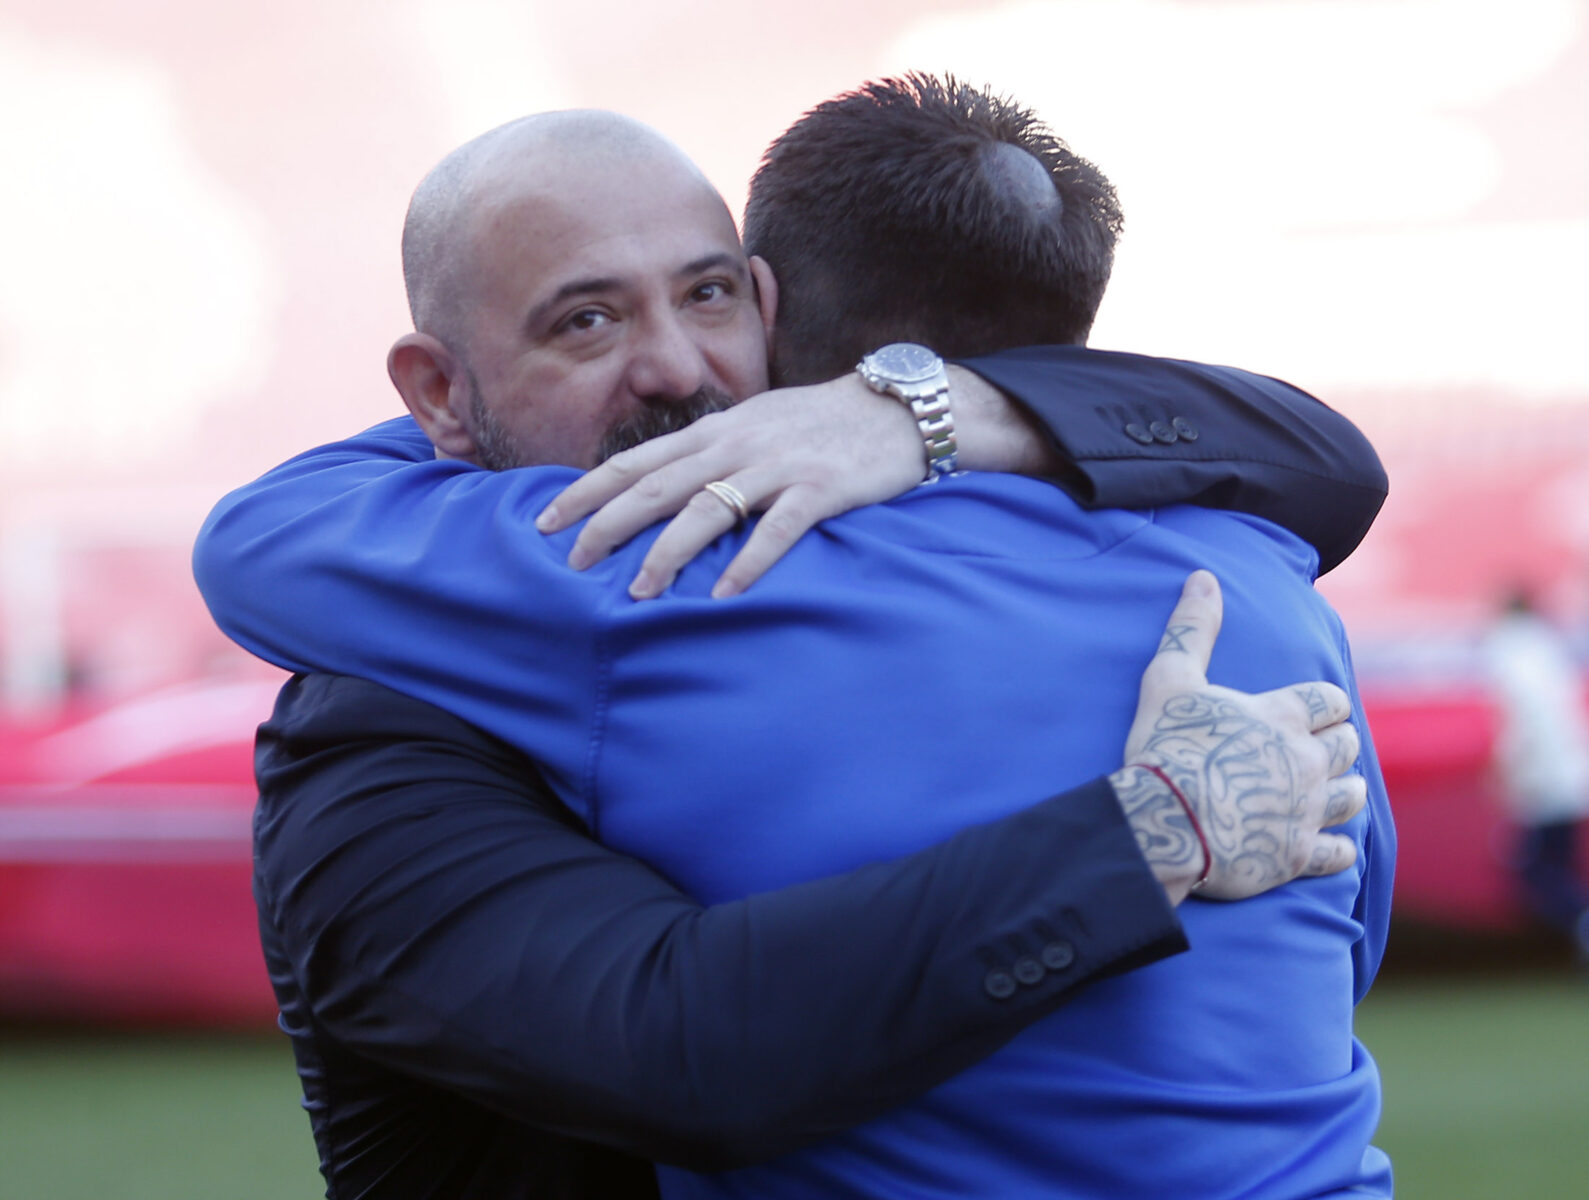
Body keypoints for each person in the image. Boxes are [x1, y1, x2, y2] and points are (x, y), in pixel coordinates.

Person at [195, 81, 1390, 1197]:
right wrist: (1143, 834)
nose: (676, 368)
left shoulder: (691, 581)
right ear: (437, 396)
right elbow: (682, 1050)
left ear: (773, 309)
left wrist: (923, 413)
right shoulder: (1258, 566)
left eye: (708, 295)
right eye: (585, 321)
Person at [1483, 586, 1589, 958]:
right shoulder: (1546, 648)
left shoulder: (1511, 653)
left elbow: (1523, 720)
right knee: (1555, 865)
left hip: (1544, 783)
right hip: (1569, 775)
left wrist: (1507, 766)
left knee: (1533, 868)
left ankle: (1581, 921)